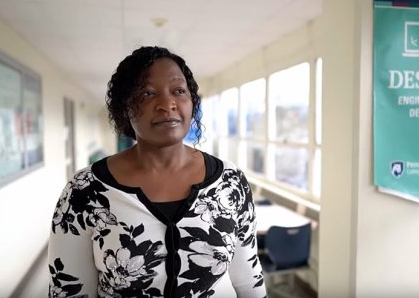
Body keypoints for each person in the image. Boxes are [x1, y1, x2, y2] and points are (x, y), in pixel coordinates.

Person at [48, 46, 266, 298]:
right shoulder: (84, 190)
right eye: (148, 93)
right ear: (124, 106)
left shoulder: (230, 181)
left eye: (179, 91)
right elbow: (68, 291)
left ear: (192, 102)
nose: (167, 104)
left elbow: (249, 281)